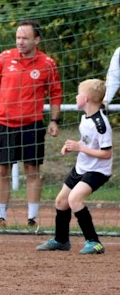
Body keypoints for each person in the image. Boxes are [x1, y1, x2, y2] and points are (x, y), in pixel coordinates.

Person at [0, 20, 63, 229]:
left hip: (32, 125)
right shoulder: (5, 57)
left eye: (25, 38)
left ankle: (32, 218)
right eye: (18, 38)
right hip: (4, 123)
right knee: (2, 170)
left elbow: (56, 93)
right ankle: (0, 216)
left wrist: (54, 121)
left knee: (32, 170)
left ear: (36, 40)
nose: (20, 42)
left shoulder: (47, 63)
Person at [37, 79, 111, 255]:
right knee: (61, 202)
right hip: (82, 168)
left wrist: (80, 148)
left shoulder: (101, 123)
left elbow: (106, 153)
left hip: (98, 171)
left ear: (85, 98)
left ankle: (94, 242)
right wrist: (73, 146)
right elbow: (87, 142)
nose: (76, 97)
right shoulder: (85, 118)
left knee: (74, 200)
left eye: (78, 94)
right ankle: (61, 240)